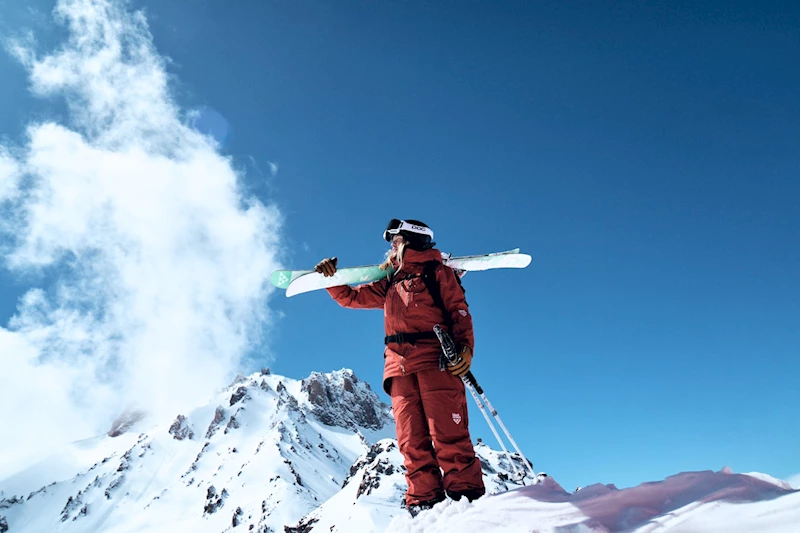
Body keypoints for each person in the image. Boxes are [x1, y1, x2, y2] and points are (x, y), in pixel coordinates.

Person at [314, 219, 485, 514]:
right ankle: (424, 506)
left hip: (436, 361)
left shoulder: (438, 273)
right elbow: (351, 297)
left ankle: (468, 505)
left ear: (411, 241)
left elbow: (459, 312)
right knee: (410, 441)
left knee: (448, 435)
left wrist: (465, 349)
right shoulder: (390, 282)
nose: (391, 247)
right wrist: (331, 279)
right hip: (397, 369)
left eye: (395, 241)